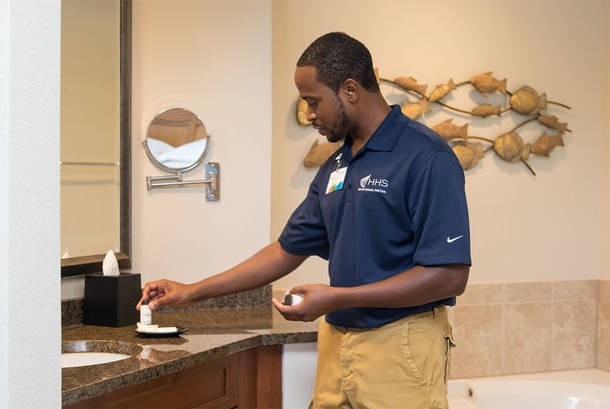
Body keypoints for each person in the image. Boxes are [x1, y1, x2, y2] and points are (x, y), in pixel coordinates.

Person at [138, 32, 471, 409]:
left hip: (402, 345)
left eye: (313, 101)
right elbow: (285, 250)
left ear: (349, 89)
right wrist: (191, 291)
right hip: (337, 344)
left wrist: (337, 297)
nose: (309, 114)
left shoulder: (426, 157)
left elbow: (449, 275)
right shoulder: (336, 166)